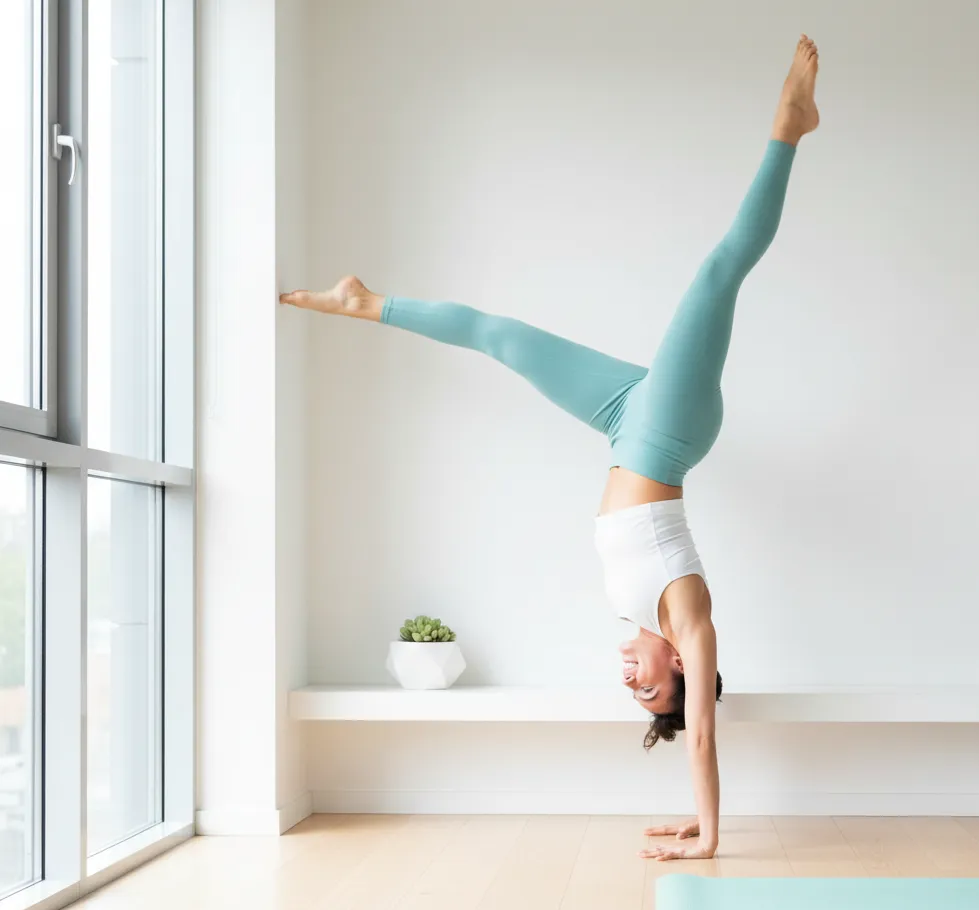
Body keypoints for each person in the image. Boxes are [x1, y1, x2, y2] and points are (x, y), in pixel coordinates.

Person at [281, 37, 820, 860]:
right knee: (719, 271)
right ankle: (789, 126)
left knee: (500, 337)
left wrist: (687, 813)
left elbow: (689, 731)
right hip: (667, 431)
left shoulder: (640, 614)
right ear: (684, 670)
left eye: (637, 694)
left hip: (625, 426)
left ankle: (365, 302)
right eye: (652, 690)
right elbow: (706, 736)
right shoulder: (692, 622)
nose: (634, 682)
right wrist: (709, 837)